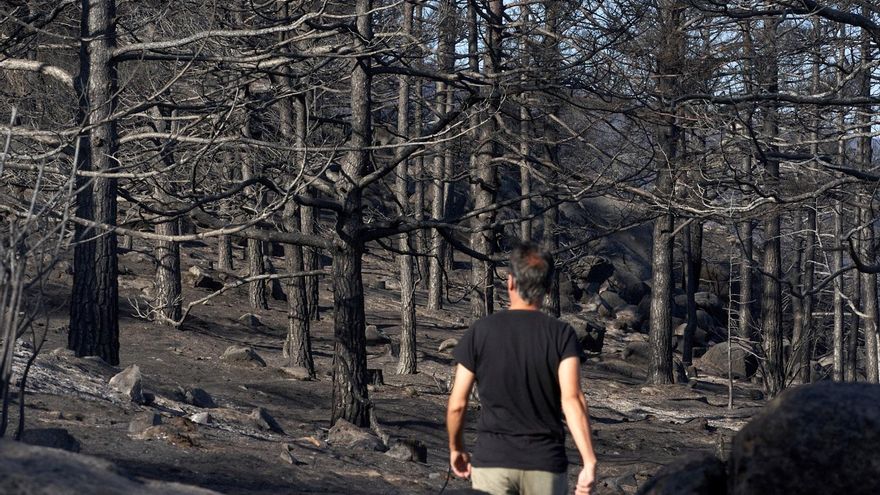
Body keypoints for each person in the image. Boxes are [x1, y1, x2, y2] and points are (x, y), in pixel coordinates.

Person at [446, 242, 597, 495]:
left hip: (492, 461)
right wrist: (589, 461)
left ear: (510, 282)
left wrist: (456, 448)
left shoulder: (480, 332)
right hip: (544, 462)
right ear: (548, 288)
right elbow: (572, 399)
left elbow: (457, 404)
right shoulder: (561, 335)